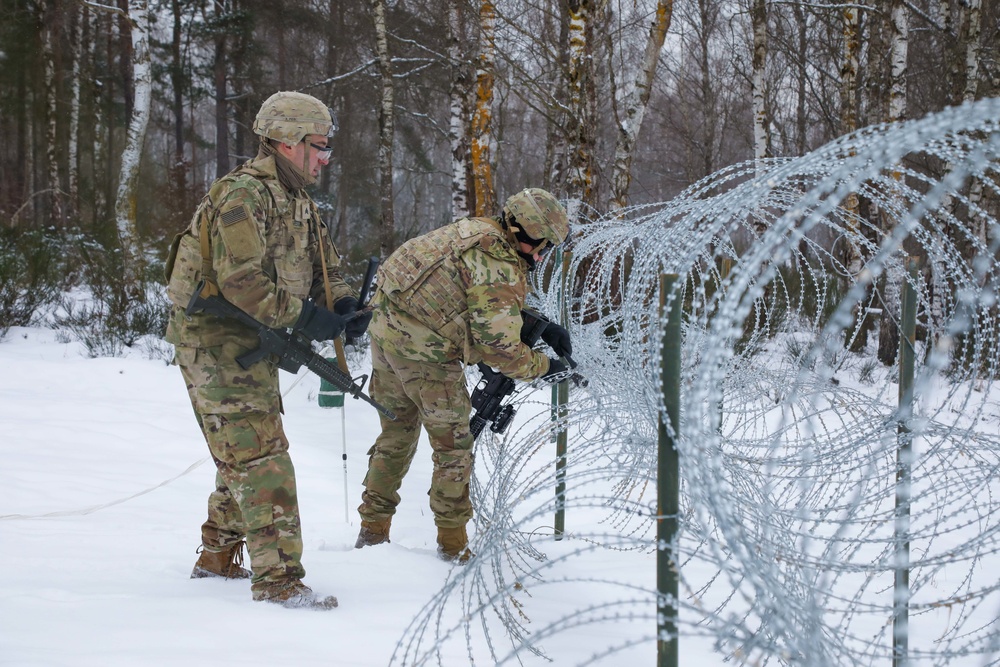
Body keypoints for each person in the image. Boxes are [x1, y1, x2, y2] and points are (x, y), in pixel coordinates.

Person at [163, 91, 371, 609]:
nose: (325, 158)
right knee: (262, 460)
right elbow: (241, 282)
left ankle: (216, 559)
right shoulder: (243, 197)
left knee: (243, 454)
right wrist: (306, 317)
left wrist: (342, 304)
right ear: (287, 142)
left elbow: (326, 266)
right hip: (214, 344)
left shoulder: (298, 199)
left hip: (252, 342)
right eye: (319, 147)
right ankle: (279, 583)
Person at [354, 188, 573, 562]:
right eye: (540, 245)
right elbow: (501, 351)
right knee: (454, 449)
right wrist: (546, 366)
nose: (541, 254)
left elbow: (459, 291)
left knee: (395, 435)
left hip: (387, 337)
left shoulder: (473, 230)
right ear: (520, 231)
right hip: (427, 356)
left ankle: (372, 532)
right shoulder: (498, 261)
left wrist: (536, 322)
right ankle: (453, 548)